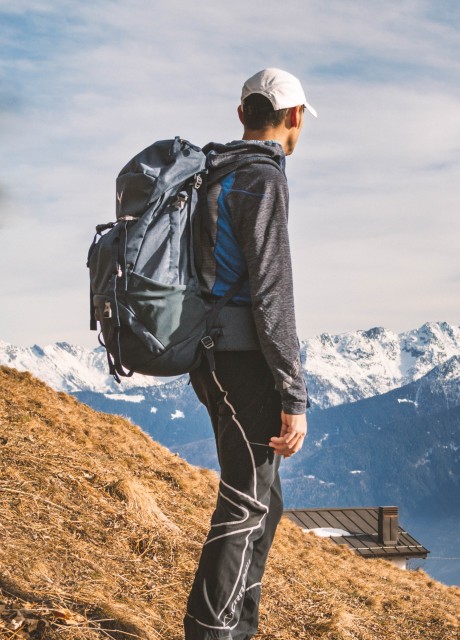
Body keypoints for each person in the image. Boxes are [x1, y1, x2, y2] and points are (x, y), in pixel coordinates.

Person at [184, 68, 314, 640]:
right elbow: (271, 292)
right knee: (244, 505)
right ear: (294, 118)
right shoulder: (262, 179)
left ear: (242, 115)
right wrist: (293, 393)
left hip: (207, 355)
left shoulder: (212, 175)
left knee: (266, 501)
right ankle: (211, 633)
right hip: (242, 360)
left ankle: (239, 628)